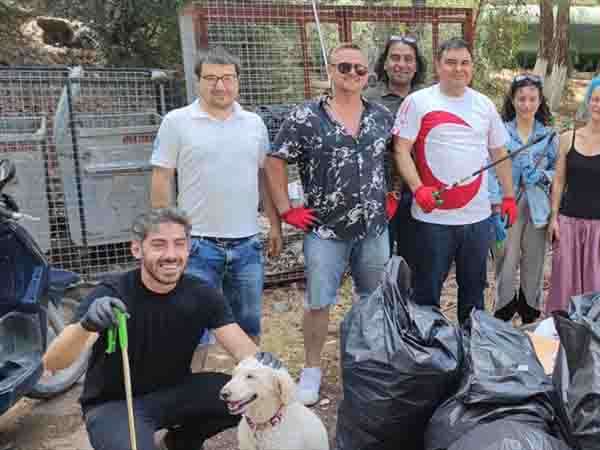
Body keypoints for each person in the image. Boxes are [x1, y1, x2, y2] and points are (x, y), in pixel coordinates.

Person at [42, 208, 283, 450]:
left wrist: (262, 364)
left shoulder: (201, 293)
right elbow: (54, 362)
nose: (171, 255)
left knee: (253, 398)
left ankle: (180, 442)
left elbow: (243, 350)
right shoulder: (112, 293)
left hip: (177, 392)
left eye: (179, 244)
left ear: (188, 248)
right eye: (158, 245)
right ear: (137, 249)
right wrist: (87, 324)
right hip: (116, 404)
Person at [266, 43, 394, 406]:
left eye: (359, 69)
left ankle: (369, 363)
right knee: (319, 301)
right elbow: (275, 161)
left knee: (374, 300)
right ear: (330, 69)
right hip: (326, 230)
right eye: (344, 67)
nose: (352, 74)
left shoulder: (381, 116)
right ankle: (311, 369)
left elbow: (397, 157)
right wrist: (285, 208)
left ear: (368, 75)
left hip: (373, 228)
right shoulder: (305, 117)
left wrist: (394, 194)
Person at [149, 46, 280, 370]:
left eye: (227, 78)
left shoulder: (254, 124)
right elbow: (162, 176)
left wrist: (275, 225)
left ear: (237, 81)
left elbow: (265, 177)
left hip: (247, 244)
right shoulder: (177, 122)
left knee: (248, 325)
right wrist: (167, 236)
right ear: (198, 82)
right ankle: (186, 395)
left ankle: (251, 391)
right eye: (211, 78)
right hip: (197, 245)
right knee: (192, 328)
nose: (219, 86)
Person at [393, 37, 517, 325]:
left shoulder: (484, 105)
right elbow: (401, 149)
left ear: (472, 67)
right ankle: (428, 356)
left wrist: (509, 196)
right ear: (438, 65)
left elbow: (499, 152)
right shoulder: (417, 102)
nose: (458, 69)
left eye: (464, 63)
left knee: (474, 292)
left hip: (477, 219)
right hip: (432, 219)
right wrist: (418, 188)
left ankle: (471, 352)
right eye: (450, 62)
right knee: (426, 292)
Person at [546, 76, 600, 319]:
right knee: (565, 282)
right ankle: (564, 334)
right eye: (595, 99)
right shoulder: (567, 139)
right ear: (588, 102)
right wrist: (554, 219)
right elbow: (559, 181)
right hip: (569, 222)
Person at [487, 73, 558, 324]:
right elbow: (491, 168)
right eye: (521, 99)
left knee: (534, 260)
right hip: (508, 204)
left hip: (538, 206)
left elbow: (560, 172)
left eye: (532, 99)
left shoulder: (549, 134)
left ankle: (530, 312)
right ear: (513, 100)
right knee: (505, 258)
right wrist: (495, 203)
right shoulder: (501, 132)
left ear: (540, 102)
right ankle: (503, 311)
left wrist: (543, 175)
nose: (526, 104)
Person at [365, 35, 427, 262]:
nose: (401, 64)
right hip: (380, 192)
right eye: (395, 58)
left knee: (417, 259)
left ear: (417, 65)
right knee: (380, 260)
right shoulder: (367, 99)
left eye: (408, 59)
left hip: (421, 190)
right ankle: (383, 298)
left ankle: (410, 297)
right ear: (385, 63)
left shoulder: (428, 97)